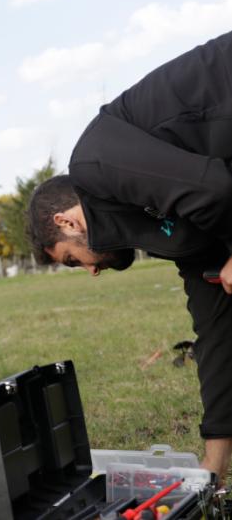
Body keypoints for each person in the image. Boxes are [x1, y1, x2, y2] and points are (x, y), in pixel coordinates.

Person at [26, 29, 232, 481]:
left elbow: (215, 189)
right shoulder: (164, 227)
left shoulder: (96, 161)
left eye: (72, 261)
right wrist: (213, 465)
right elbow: (215, 335)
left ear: (66, 222)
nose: (91, 273)